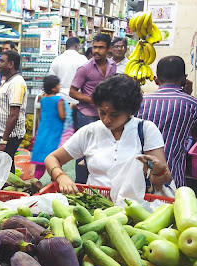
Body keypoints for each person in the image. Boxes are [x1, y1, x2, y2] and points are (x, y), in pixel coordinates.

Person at [44, 75, 172, 194]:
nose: (106, 120)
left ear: (130, 111)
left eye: (114, 115)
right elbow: (52, 158)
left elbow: (162, 179)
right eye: (102, 113)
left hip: (135, 206)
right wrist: (61, 177)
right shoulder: (90, 131)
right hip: (95, 205)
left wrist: (159, 170)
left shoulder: (146, 130)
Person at [137, 56, 197, 187]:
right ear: (184, 79)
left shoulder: (139, 101)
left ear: (156, 80)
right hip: (173, 175)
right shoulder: (194, 104)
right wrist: (188, 94)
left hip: (141, 174)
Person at [70, 33, 117, 183]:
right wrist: (92, 100)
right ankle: (80, 183)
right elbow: (72, 91)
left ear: (109, 49)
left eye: (101, 48)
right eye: (95, 47)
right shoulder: (85, 68)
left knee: (103, 150)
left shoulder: (112, 65)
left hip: (105, 114)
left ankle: (99, 183)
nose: (96, 51)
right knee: (85, 151)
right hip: (87, 114)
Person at [30, 75, 73, 180]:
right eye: (58, 85)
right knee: (54, 158)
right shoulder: (59, 100)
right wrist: (71, 107)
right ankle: (55, 180)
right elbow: (62, 116)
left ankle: (35, 181)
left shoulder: (43, 100)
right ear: (54, 88)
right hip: (55, 132)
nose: (59, 87)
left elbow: (41, 115)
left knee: (40, 162)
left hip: (43, 131)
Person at [0, 50, 27, 173]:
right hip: (2, 133)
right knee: (6, 164)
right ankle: (11, 190)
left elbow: (14, 114)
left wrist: (4, 140)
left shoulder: (17, 83)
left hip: (10, 135)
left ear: (11, 64)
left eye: (2, 61)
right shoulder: (7, 81)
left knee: (4, 165)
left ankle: (10, 189)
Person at [47, 37, 88, 104]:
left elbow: (51, 81)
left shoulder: (57, 60)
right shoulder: (83, 60)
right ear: (76, 46)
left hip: (60, 98)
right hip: (77, 98)